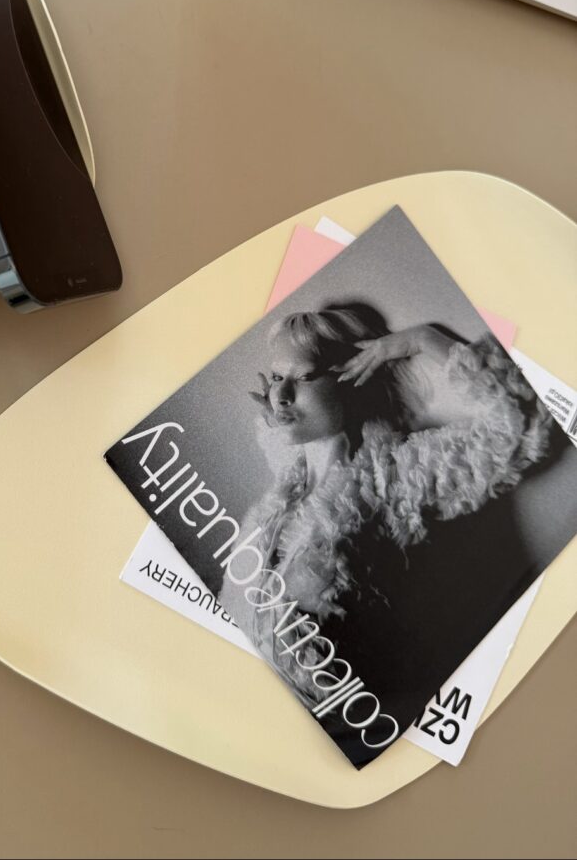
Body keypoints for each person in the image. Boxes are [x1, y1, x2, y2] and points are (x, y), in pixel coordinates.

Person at [218, 301, 568, 760]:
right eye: (274, 378)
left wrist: (422, 339)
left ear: (353, 379)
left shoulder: (398, 475)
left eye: (302, 377)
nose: (279, 396)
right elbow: (273, 424)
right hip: (222, 694)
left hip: (314, 741)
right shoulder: (287, 476)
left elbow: (517, 427)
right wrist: (285, 401)